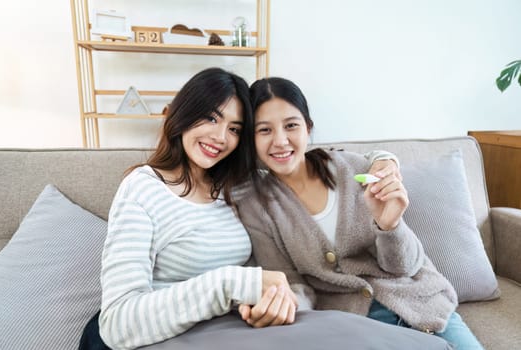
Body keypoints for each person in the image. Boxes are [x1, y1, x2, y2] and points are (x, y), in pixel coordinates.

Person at [79, 67, 400, 349]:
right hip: (150, 338)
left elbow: (313, 162)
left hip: (224, 331)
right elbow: (117, 324)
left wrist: (385, 161)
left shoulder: (242, 185)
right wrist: (233, 285)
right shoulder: (142, 189)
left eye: (234, 129)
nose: (220, 137)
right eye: (211, 118)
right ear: (182, 115)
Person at [235, 77, 484, 349]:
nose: (280, 141)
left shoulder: (355, 170)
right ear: (251, 139)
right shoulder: (257, 206)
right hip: (356, 325)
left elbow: (407, 267)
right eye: (264, 130)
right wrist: (282, 305)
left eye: (291, 125)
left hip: (422, 304)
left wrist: (390, 226)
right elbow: (293, 284)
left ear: (308, 127)